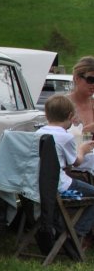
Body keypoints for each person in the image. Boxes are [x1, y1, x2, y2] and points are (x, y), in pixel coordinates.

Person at [37, 94, 94, 245]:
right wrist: (82, 150)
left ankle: (64, 230)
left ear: (46, 115)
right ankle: (76, 234)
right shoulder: (66, 137)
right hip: (59, 187)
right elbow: (76, 163)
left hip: (37, 186)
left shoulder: (38, 133)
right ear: (70, 116)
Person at [69, 56, 94, 131]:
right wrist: (86, 130)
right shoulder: (62, 105)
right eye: (91, 80)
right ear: (76, 78)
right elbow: (55, 133)